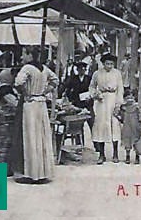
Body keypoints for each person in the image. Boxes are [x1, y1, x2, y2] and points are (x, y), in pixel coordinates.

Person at [10, 47, 58, 183]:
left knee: (30, 137)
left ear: (30, 55)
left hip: (30, 104)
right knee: (41, 137)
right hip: (41, 103)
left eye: (24, 54)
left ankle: (31, 174)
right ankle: (43, 173)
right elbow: (55, 80)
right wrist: (44, 91)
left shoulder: (27, 68)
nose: (22, 57)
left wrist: (26, 93)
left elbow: (18, 83)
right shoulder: (44, 68)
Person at [89, 53, 124, 164]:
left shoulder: (117, 74)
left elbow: (120, 89)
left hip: (113, 99)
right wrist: (95, 94)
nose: (109, 66)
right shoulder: (97, 74)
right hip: (102, 101)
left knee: (114, 125)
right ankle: (102, 154)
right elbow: (92, 86)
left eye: (111, 64)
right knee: (101, 126)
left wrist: (118, 104)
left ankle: (115, 154)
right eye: (107, 64)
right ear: (103, 63)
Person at [60, 61, 94, 130]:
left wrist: (90, 96)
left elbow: (93, 89)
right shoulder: (73, 78)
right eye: (80, 69)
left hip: (87, 102)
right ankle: (79, 138)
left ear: (85, 70)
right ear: (77, 70)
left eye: (83, 69)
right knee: (77, 123)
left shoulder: (89, 78)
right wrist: (70, 99)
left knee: (91, 121)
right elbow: (67, 88)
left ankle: (94, 138)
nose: (81, 71)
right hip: (77, 102)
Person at [114, 91, 141, 165]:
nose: (130, 99)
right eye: (128, 98)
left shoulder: (137, 107)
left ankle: (137, 157)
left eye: (131, 97)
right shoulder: (123, 108)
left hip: (136, 126)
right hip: (126, 127)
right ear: (124, 98)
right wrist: (117, 114)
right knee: (127, 142)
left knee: (136, 141)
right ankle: (127, 156)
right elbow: (119, 116)